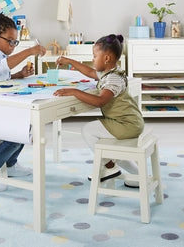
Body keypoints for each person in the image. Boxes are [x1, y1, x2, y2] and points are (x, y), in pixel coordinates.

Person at [53, 34, 144, 187]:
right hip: (132, 122)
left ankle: (109, 167)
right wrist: (69, 61)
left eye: (95, 56)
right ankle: (139, 177)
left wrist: (75, 92)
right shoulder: (111, 72)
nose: (93, 60)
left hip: (125, 124)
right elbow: (90, 72)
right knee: (112, 149)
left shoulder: (113, 79)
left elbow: (100, 101)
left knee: (88, 131)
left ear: (107, 58)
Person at [0, 11, 46, 192]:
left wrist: (18, 75)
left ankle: (11, 165)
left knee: (25, 126)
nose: (13, 46)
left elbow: (0, 76)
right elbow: (0, 67)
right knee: (16, 132)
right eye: (10, 41)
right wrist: (29, 51)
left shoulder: (2, 56)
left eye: (16, 42)